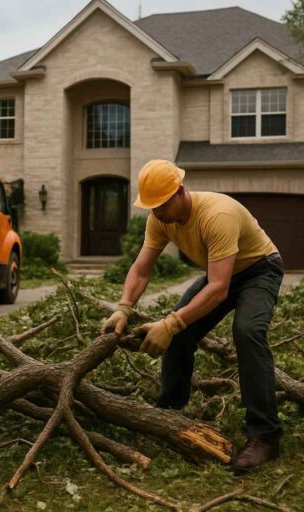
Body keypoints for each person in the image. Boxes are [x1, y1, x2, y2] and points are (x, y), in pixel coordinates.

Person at [101, 159, 284, 471]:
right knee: (180, 333)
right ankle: (170, 413)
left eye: (161, 204)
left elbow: (218, 288)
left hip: (259, 269)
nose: (157, 212)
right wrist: (123, 308)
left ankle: (265, 436)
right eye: (151, 206)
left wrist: (171, 323)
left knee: (247, 331)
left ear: (180, 192)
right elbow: (141, 269)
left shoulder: (217, 215)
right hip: (222, 274)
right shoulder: (159, 219)